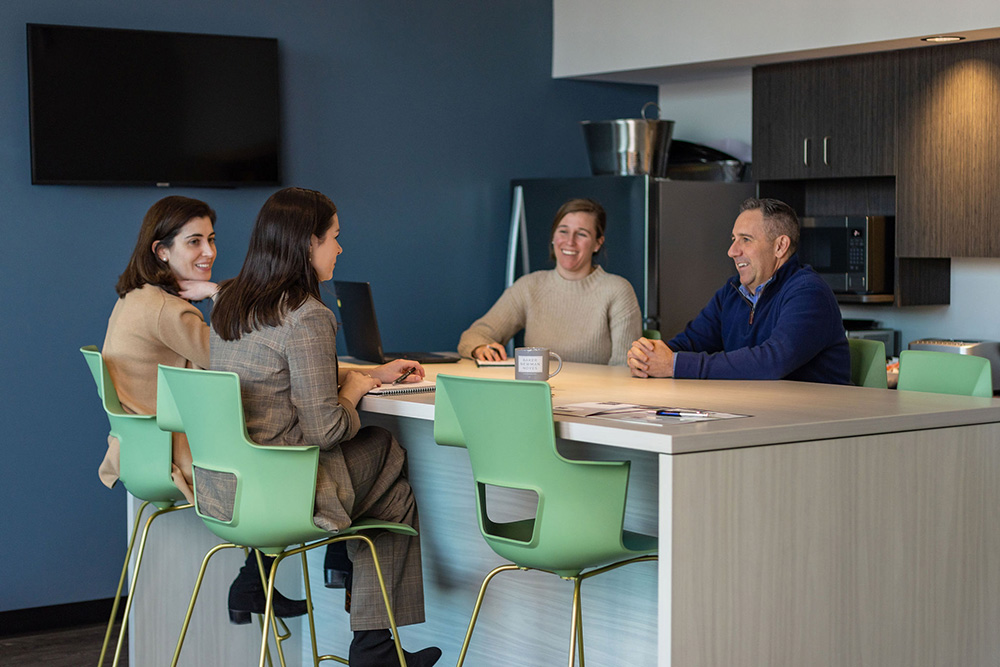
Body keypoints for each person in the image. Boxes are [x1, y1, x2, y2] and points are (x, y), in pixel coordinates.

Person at [209, 187, 440, 667]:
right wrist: (355, 390)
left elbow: (273, 375)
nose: (339, 248)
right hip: (288, 488)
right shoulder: (308, 315)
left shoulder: (231, 302)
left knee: (386, 481)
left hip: (232, 489)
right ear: (306, 243)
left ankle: (366, 626)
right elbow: (326, 430)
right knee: (387, 453)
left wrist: (367, 375)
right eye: (334, 238)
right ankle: (372, 644)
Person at [101, 195, 307, 625]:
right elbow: (246, 359)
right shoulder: (166, 309)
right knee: (300, 449)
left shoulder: (135, 298)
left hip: (142, 453)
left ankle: (255, 581)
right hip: (182, 458)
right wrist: (218, 291)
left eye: (211, 239)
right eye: (194, 242)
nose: (209, 252)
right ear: (162, 250)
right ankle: (268, 578)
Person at [627, 197, 850, 384]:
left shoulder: (808, 292)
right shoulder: (732, 292)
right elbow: (690, 344)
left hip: (818, 426)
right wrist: (648, 355)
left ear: (780, 246)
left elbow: (772, 362)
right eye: (734, 239)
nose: (732, 251)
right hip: (758, 416)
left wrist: (673, 364)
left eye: (746, 240)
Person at [457, 198, 641, 365]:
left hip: (597, 400)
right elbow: (474, 336)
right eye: (563, 231)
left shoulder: (617, 290)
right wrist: (480, 348)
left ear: (597, 243)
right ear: (553, 237)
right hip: (537, 395)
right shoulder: (529, 286)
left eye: (582, 234)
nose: (570, 241)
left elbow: (624, 367)